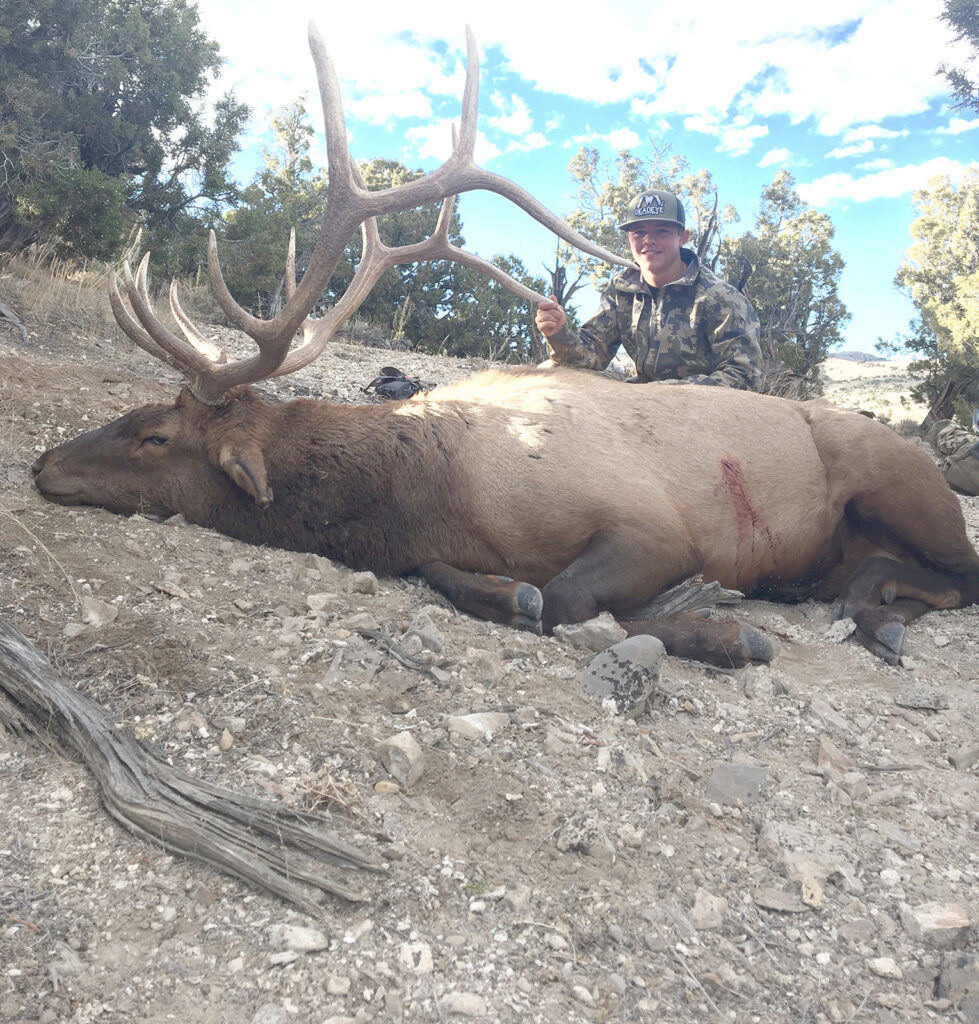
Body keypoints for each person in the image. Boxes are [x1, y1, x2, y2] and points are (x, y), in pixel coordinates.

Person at [536, 188, 763, 390]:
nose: (648, 240)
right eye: (639, 233)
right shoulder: (621, 289)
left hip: (701, 414)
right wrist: (558, 334)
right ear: (628, 240)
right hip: (643, 405)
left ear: (683, 237)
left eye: (661, 231)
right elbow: (592, 354)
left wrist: (659, 396)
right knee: (549, 372)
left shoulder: (721, 297)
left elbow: (744, 376)